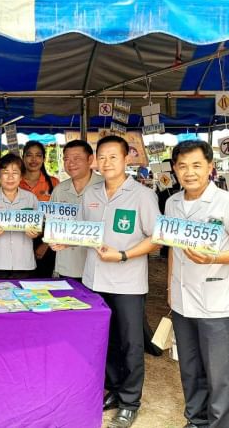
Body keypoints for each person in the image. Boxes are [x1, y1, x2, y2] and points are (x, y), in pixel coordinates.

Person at [166, 140, 229, 428]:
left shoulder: (228, 203)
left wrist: (214, 258)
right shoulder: (171, 203)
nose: (189, 172)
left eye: (196, 165)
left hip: (215, 303)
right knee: (189, 368)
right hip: (181, 300)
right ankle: (195, 420)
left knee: (218, 375)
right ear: (174, 169)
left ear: (210, 167)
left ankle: (219, 425)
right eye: (182, 166)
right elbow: (172, 250)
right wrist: (170, 288)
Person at [81, 135, 160, 428]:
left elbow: (157, 238)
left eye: (113, 156)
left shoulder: (142, 195)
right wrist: (64, 241)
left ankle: (130, 402)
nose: (106, 162)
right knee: (106, 339)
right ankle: (114, 389)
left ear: (127, 159)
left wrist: (124, 254)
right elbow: (82, 231)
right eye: (101, 157)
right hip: (94, 279)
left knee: (130, 343)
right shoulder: (91, 193)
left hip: (127, 283)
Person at [47, 140, 103, 281]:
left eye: (77, 158)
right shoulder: (60, 190)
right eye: (66, 159)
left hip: (99, 269)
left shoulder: (104, 186)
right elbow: (51, 224)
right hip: (67, 267)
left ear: (90, 159)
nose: (71, 163)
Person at [0, 153, 39, 279]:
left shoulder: (31, 198)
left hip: (24, 264)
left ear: (21, 176)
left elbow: (39, 228)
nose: (10, 177)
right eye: (5, 172)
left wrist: (35, 233)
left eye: (15, 173)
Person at [20, 141, 59, 277]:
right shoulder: (14, 182)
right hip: (19, 238)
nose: (34, 159)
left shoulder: (53, 183)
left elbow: (58, 218)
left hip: (45, 240)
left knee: (42, 283)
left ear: (43, 159)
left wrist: (46, 243)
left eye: (38, 155)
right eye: (29, 155)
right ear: (23, 157)